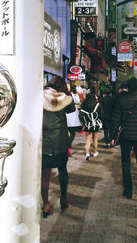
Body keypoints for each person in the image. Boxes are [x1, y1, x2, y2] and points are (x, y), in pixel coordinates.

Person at [42, 76, 75, 217]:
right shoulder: (64, 99)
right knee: (63, 170)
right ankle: (63, 198)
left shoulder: (40, 96)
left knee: (45, 173)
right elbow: (71, 110)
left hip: (45, 141)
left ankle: (45, 204)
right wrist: (68, 92)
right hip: (60, 140)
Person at [80, 92, 104, 160]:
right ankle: (95, 152)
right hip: (95, 124)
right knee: (95, 138)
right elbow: (102, 114)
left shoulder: (83, 105)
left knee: (87, 139)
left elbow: (81, 115)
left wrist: (84, 123)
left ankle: (87, 153)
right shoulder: (97, 105)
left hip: (87, 124)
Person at [66, 83, 82, 156]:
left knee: (67, 132)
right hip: (73, 116)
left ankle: (67, 146)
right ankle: (68, 146)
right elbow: (78, 102)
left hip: (66, 116)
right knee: (72, 133)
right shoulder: (75, 95)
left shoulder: (66, 95)